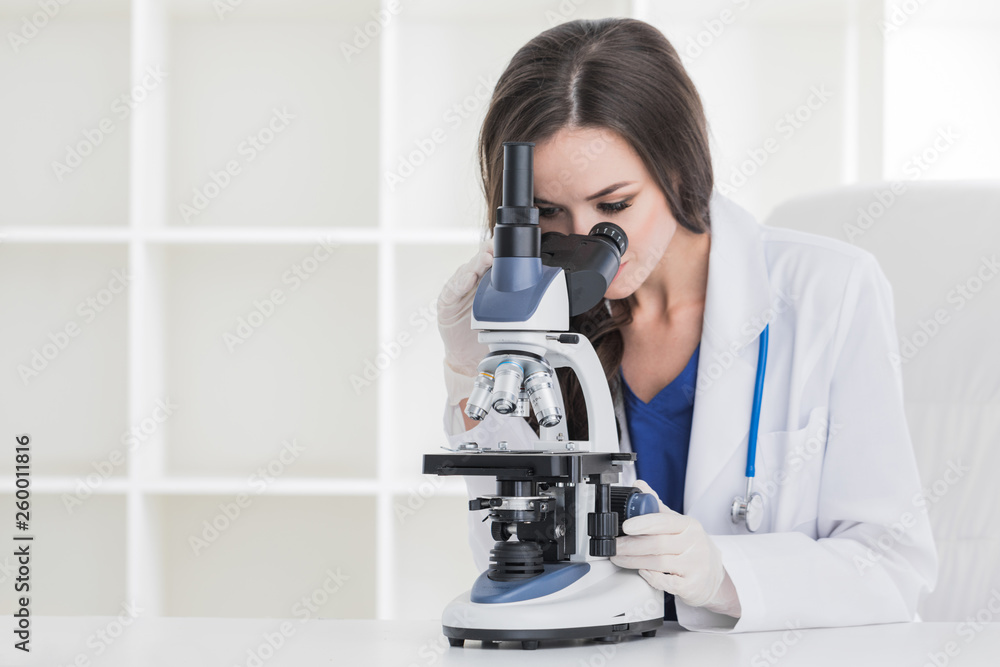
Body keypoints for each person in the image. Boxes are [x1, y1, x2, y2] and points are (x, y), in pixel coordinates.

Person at [436, 17, 937, 633]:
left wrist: (722, 573)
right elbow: (506, 544)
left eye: (613, 208)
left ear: (677, 171)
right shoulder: (549, 325)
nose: (578, 240)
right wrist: (471, 364)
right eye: (546, 212)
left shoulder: (828, 291)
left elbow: (893, 569)